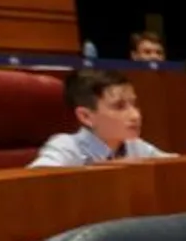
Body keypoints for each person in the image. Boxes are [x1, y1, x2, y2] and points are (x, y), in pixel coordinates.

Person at [28, 68, 176, 168]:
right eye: (119, 106)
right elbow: (33, 184)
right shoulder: (66, 146)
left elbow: (176, 166)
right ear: (86, 116)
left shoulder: (135, 146)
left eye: (134, 104)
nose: (135, 115)